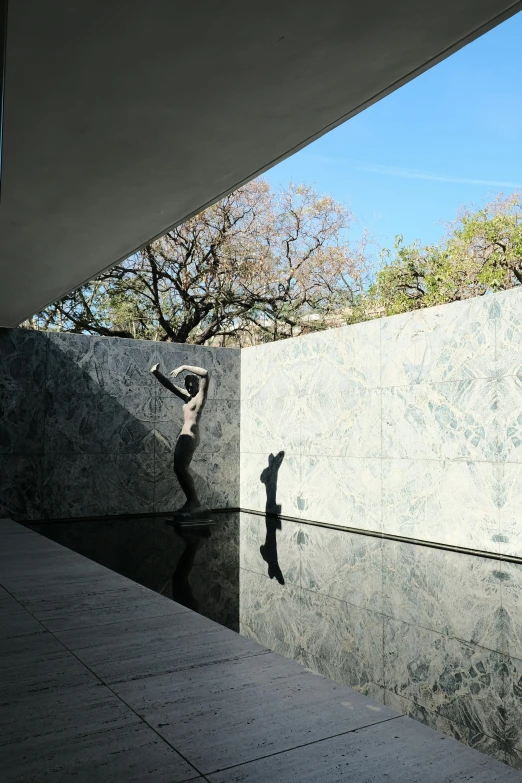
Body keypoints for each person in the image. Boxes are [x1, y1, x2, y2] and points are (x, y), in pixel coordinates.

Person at [150, 362, 209, 515]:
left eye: (192, 385)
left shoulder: (199, 398)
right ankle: (192, 501)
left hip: (190, 436)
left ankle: (193, 501)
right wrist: (156, 373)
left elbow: (205, 373)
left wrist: (183, 367)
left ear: (197, 384)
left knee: (181, 468)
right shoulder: (187, 397)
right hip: (185, 436)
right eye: (187, 386)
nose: (189, 388)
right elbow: (170, 386)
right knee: (178, 468)